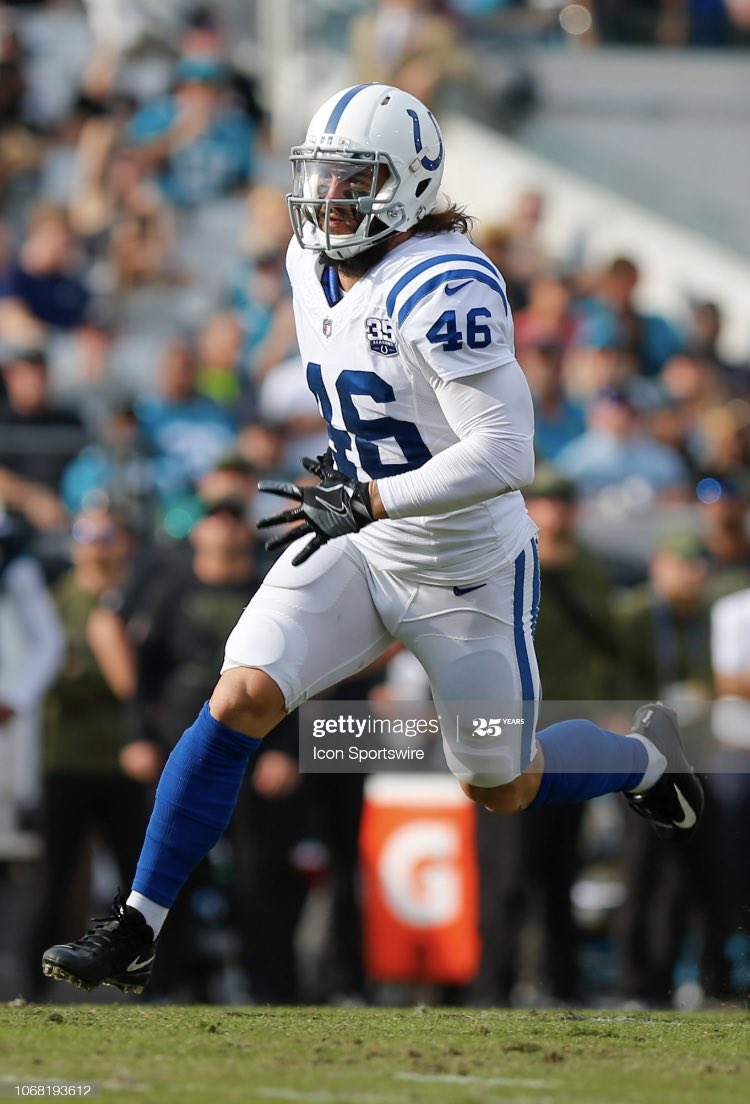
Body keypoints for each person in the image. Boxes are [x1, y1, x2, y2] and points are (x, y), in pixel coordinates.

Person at [42, 82, 705, 997]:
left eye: (352, 181)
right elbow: (375, 400)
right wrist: (354, 481)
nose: (327, 201)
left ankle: (643, 755)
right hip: (361, 540)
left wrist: (375, 496)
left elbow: (510, 451)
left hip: (467, 571)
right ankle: (139, 925)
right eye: (320, 179)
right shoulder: (306, 263)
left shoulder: (448, 283)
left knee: (500, 783)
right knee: (239, 696)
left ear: (408, 184)